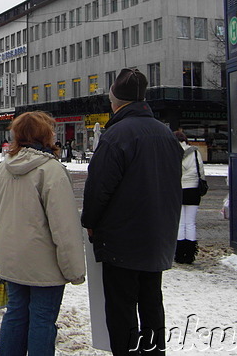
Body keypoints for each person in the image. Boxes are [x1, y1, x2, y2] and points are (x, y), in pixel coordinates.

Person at [81, 68, 183, 355]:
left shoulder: (116, 135)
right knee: (152, 302)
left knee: (122, 308)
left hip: (121, 240)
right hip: (157, 237)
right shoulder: (165, 134)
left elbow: (99, 188)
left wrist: (90, 222)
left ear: (115, 101)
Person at [0, 111, 86, 355]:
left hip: (12, 261)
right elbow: (65, 227)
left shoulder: (4, 168)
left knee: (15, 315)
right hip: (45, 265)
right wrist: (74, 269)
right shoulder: (50, 170)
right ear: (46, 135)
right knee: (42, 320)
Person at [174, 131, 205, 264]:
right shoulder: (195, 152)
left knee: (180, 222)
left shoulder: (172, 151)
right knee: (191, 222)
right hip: (193, 189)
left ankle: (179, 254)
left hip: (178, 189)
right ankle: (190, 254)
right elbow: (201, 171)